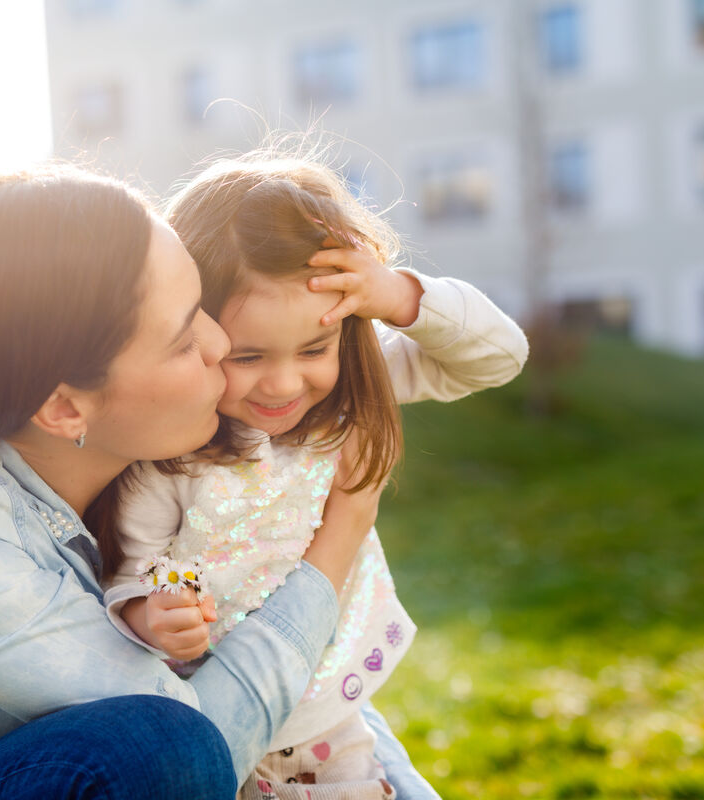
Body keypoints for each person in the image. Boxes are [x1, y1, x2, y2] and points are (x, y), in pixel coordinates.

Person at [0, 164, 410, 800]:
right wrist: (336, 543)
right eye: (185, 338)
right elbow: (205, 737)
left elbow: (294, 695)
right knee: (156, 744)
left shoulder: (140, 458)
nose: (221, 344)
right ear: (66, 409)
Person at [100, 155, 529, 799]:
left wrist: (396, 295)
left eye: (312, 349)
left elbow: (500, 357)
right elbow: (132, 567)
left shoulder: (352, 394)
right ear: (197, 334)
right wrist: (144, 612)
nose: (283, 384)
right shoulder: (172, 454)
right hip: (224, 715)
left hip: (333, 711)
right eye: (247, 356)